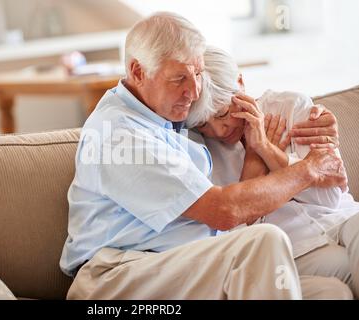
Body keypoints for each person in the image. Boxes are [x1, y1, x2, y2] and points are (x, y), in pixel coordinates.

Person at [60, 12, 351, 299]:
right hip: (120, 273)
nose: (194, 90)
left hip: (188, 264)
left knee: (329, 293)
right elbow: (225, 211)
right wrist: (307, 170)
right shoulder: (119, 133)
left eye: (197, 73)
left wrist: (321, 125)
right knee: (262, 241)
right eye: (179, 78)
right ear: (138, 72)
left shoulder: (166, 117)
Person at [186, 45, 359, 298]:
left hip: (342, 219)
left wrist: (267, 149)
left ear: (240, 83)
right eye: (203, 125)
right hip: (295, 248)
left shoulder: (290, 106)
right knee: (339, 278)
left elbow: (329, 199)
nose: (219, 130)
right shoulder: (199, 151)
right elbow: (236, 235)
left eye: (223, 113)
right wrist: (255, 159)